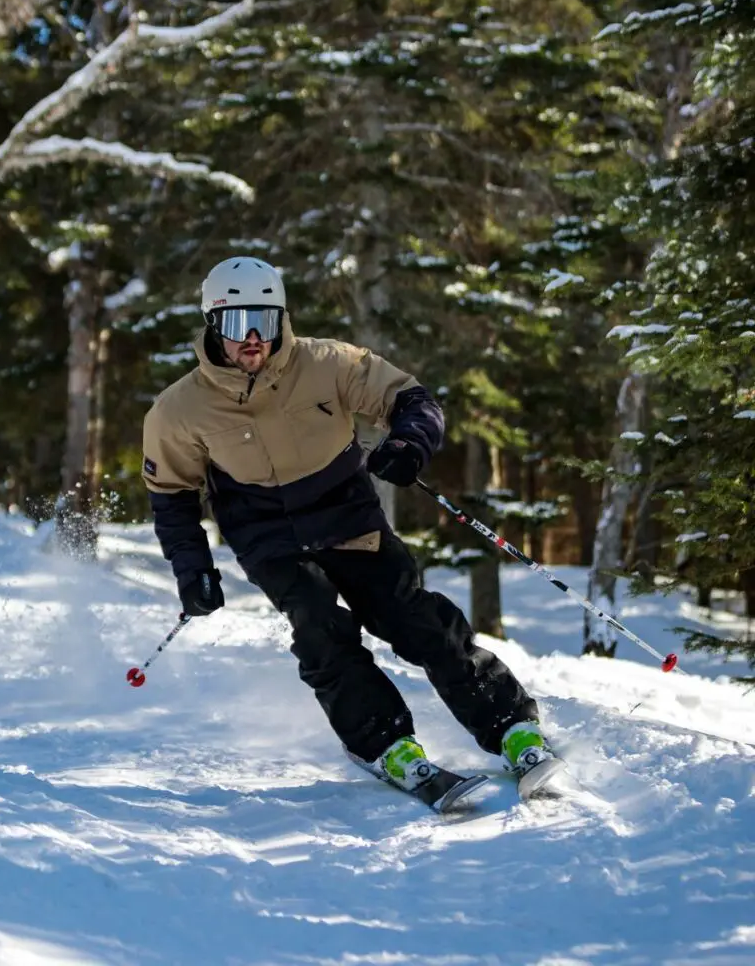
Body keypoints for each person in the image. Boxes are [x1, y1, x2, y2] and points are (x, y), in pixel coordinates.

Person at [141, 256, 554, 793]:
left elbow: (411, 399)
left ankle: (511, 726)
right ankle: (383, 741)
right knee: (319, 625)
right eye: (236, 323)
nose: (252, 339)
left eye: (263, 322)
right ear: (212, 324)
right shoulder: (179, 410)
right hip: (269, 538)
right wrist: (192, 570)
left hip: (348, 518)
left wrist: (408, 443)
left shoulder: (328, 364)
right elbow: (171, 496)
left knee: (410, 616)